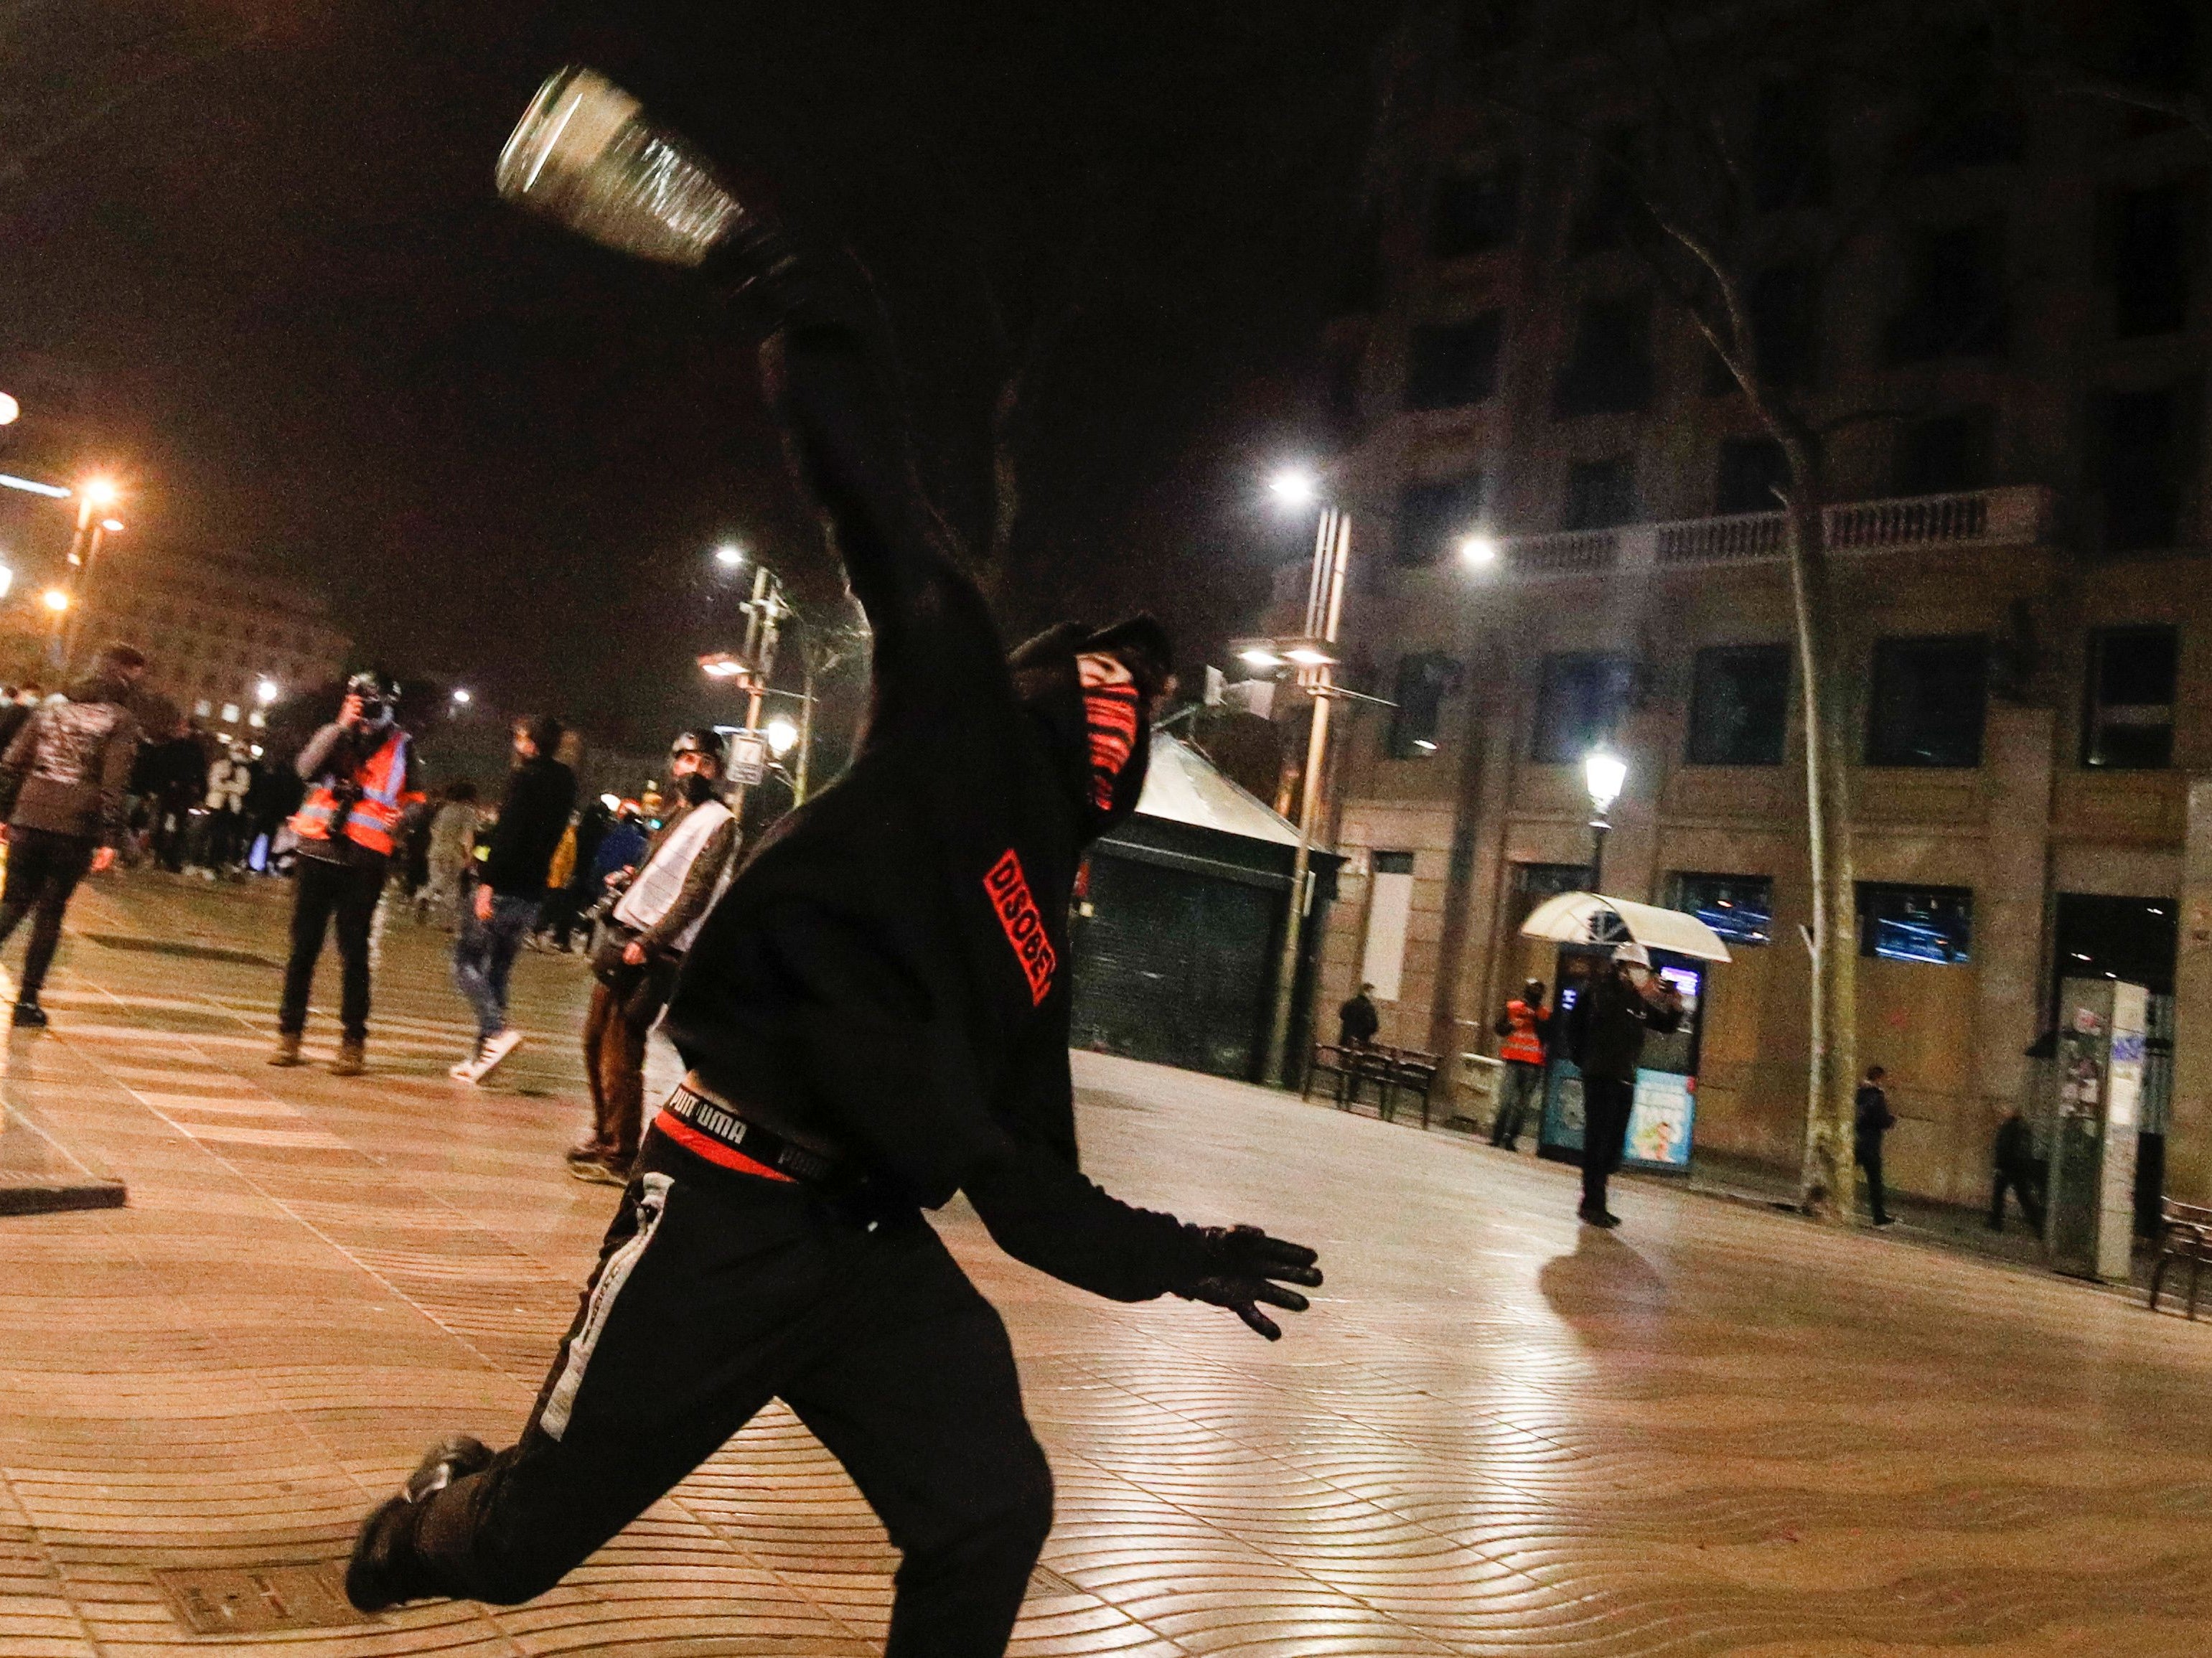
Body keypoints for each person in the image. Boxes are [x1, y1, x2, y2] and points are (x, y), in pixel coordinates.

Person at [347, 110, 1322, 1653]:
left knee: (991, 1511)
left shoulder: (1035, 934)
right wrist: (770, 275)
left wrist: (1185, 1258)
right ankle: (416, 1529)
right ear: (1051, 681)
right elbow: (871, 487)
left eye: (1148, 687)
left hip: (870, 1255)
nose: (1126, 699)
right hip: (721, 1206)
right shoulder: (952, 710)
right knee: (523, 1545)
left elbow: (1029, 1192)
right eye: (1107, 672)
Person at [568, 732, 740, 1186]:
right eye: (686, 759)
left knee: (623, 1046)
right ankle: (605, 1133)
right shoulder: (679, 812)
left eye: (705, 762)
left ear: (717, 771)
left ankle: (622, 1152)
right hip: (626, 934)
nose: (694, 769)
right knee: (593, 1039)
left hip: (658, 951)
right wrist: (632, 876)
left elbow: (697, 892)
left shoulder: (721, 822)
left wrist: (651, 940)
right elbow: (666, 873)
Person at [272, 673, 414, 1076]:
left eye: (375, 704)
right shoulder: (335, 733)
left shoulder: (402, 745)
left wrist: (405, 817)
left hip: (364, 862)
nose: (369, 712)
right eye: (361, 702)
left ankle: (353, 1042)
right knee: (303, 948)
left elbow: (416, 798)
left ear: (391, 705)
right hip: (317, 851)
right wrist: (340, 726)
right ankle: (289, 1035)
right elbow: (305, 769)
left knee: (355, 953)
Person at [0, 644, 147, 1026]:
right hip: (74, 826)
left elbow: (13, 761)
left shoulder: (50, 708)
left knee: (13, 902)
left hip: (29, 816)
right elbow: (112, 786)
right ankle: (27, 1002)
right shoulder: (120, 719)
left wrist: (5, 813)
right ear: (124, 678)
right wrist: (110, 839)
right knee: (50, 911)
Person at [450, 716, 575, 1082]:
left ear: (532, 743)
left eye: (520, 737)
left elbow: (508, 835)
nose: (516, 744)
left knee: (465, 962)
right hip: (534, 891)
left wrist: (487, 883)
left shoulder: (525, 778)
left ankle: (496, 1032)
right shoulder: (566, 782)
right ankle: (482, 1058)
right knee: (499, 969)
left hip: (503, 887)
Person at [1564, 943, 1682, 1228]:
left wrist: (1676, 1006)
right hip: (1601, 1076)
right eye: (1638, 968)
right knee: (1598, 1141)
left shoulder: (1637, 1001)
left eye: (1645, 970)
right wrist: (1584, 1061)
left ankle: (1597, 1200)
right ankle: (1592, 1203)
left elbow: (1665, 1025)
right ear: (1621, 968)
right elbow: (1578, 1025)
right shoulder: (1600, 991)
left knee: (1613, 1146)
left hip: (1625, 1078)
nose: (1644, 975)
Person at [1490, 978, 1550, 1152]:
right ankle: (1497, 1136)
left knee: (1522, 1105)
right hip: (1513, 1059)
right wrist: (1512, 1025)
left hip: (1533, 1063)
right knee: (1506, 1101)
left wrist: (1536, 1018)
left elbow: (1547, 1036)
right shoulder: (1514, 1008)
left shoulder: (1544, 1014)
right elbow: (1499, 1028)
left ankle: (1511, 1138)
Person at [418, 782, 480, 926]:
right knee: (452, 887)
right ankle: (446, 923)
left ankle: (425, 895)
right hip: (453, 853)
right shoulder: (468, 812)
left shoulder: (445, 810)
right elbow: (467, 835)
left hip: (435, 850)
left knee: (436, 880)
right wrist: (469, 855)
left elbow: (433, 830)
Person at [1989, 1107, 2045, 1234]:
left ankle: (1995, 1222)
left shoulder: (2008, 1128)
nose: (2002, 1111)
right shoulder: (2023, 1127)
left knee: (1999, 1194)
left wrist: (1999, 1166)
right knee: (2024, 1197)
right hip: (2020, 1167)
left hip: (2007, 1167)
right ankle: (2038, 1225)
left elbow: (2003, 1148)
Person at [1856, 1064, 1896, 1227]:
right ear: (1879, 1078)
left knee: (1840, 1167)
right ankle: (1879, 1217)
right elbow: (1881, 1120)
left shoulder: (1859, 1093)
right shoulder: (1876, 1096)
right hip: (1871, 1144)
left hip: (1857, 1140)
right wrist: (1891, 1120)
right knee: (1875, 1182)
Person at [1336, 982, 1380, 1049]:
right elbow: (1374, 1026)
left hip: (1346, 1040)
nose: (1373, 996)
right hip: (1360, 1043)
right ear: (1367, 993)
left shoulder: (1349, 1003)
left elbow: (1342, 1015)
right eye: (1371, 993)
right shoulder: (1369, 1008)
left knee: (1343, 1057)